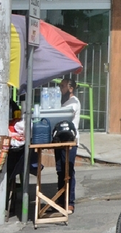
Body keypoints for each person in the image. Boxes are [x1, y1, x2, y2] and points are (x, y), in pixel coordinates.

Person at [55, 78, 80, 213]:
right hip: (60, 140)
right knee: (60, 171)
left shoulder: (74, 102)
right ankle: (60, 200)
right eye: (60, 86)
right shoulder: (62, 102)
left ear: (71, 88)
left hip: (70, 141)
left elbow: (66, 115)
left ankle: (70, 202)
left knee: (68, 171)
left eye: (63, 86)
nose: (61, 88)